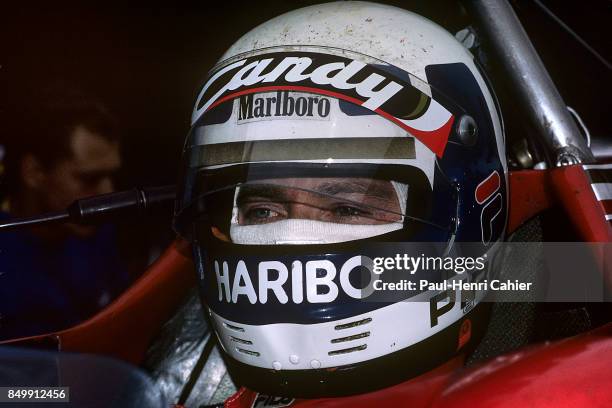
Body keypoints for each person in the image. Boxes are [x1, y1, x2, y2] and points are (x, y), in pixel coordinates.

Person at [170, 1, 508, 402]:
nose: (291, 240)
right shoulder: (176, 371)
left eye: (348, 208)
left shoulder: (572, 313)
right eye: (263, 211)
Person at [0, 88, 129, 340]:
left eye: (111, 175)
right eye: (89, 178)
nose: (108, 191)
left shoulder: (97, 231)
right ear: (34, 172)